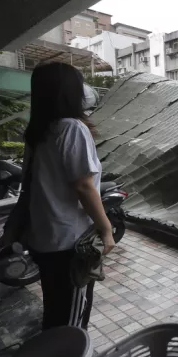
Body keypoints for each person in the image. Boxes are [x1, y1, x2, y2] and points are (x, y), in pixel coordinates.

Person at [23, 62, 114, 330]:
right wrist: (106, 229)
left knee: (55, 309)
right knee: (72, 320)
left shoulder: (38, 132)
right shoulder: (72, 128)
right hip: (69, 244)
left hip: (44, 239)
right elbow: (84, 186)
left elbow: (29, 185)